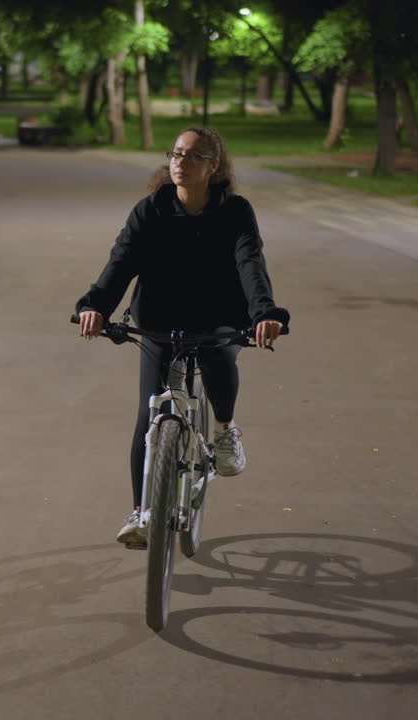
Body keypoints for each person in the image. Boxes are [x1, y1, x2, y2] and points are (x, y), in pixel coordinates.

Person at [74, 127, 290, 548]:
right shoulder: (151, 210)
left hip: (219, 317)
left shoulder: (235, 212)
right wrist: (94, 306)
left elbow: (251, 265)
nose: (180, 161)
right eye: (176, 153)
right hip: (159, 318)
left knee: (219, 361)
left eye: (193, 156)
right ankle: (142, 512)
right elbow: (121, 262)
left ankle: (225, 430)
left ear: (214, 166)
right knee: (148, 413)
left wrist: (264, 314)